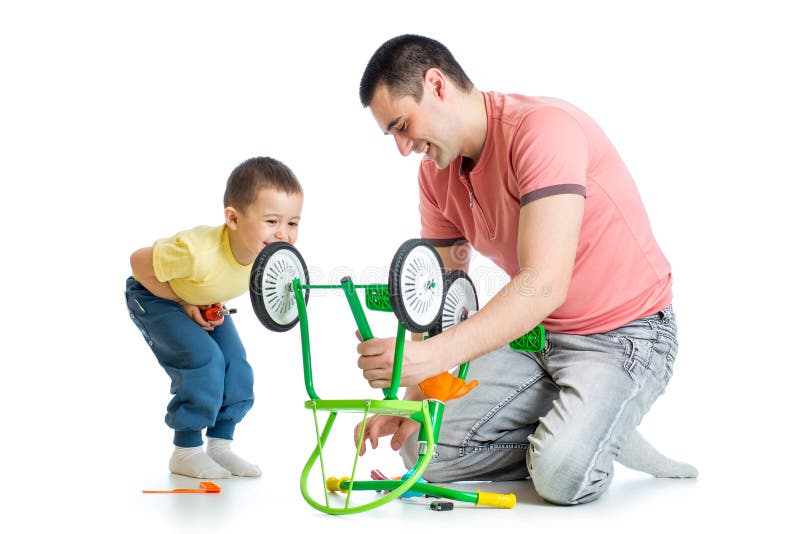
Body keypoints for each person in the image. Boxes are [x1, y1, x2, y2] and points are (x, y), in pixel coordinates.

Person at [354, 34, 697, 505]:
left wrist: (430, 358)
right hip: (535, 338)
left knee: (560, 477)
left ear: (436, 85)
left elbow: (544, 284)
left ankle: (584, 441)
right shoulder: (435, 177)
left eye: (402, 126)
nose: (403, 147)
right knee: (421, 448)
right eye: (391, 134)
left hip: (626, 334)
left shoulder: (543, 131)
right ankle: (580, 430)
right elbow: (434, 297)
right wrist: (412, 395)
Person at [126, 156, 303, 479]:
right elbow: (137, 264)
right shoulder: (196, 253)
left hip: (201, 298)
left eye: (292, 223)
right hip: (155, 295)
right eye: (272, 221)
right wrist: (182, 301)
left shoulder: (266, 256)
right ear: (233, 219)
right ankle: (186, 450)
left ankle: (220, 447)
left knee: (236, 365)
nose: (283, 234)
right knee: (204, 360)